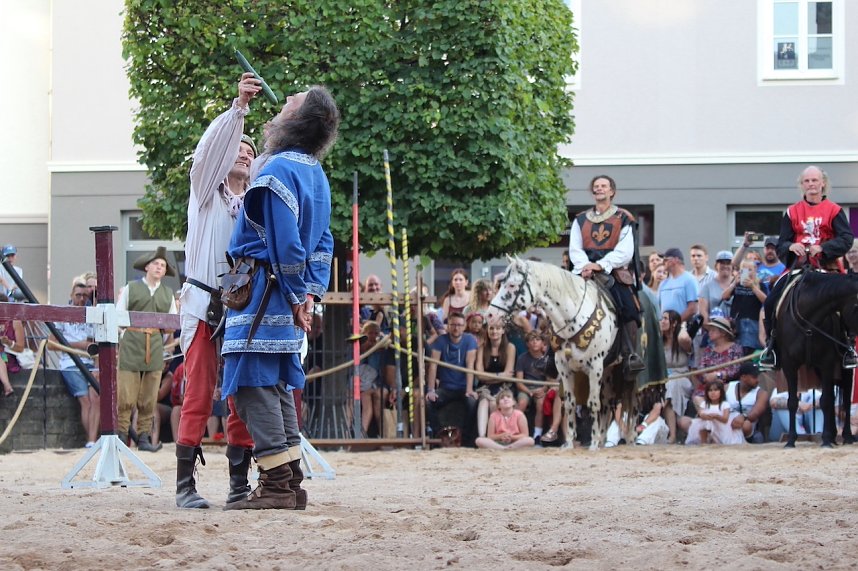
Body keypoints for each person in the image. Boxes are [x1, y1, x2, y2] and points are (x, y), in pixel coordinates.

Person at [221, 85, 339, 510]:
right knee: (275, 386)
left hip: (261, 294)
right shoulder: (316, 174)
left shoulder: (278, 169)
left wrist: (293, 294)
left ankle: (275, 485)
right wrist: (309, 292)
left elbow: (286, 244)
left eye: (291, 101)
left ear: (299, 118)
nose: (283, 102)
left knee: (253, 385)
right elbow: (323, 242)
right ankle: (290, 483)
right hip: (285, 297)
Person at [174, 73, 261, 509]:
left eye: (250, 152)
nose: (243, 154)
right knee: (198, 392)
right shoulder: (205, 193)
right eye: (237, 148)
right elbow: (208, 152)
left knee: (240, 394)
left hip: (241, 308)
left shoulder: (254, 208)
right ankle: (184, 487)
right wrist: (238, 109)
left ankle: (238, 485)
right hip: (203, 303)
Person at [761, 166, 855, 368]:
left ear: (823, 183)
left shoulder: (834, 210)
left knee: (846, 302)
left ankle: (848, 347)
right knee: (770, 302)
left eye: (815, 180)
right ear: (802, 185)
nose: (811, 184)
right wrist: (790, 246)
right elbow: (782, 243)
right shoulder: (792, 212)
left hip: (827, 267)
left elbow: (847, 238)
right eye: (807, 181)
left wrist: (823, 248)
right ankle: (772, 347)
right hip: (799, 268)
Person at [567, 174, 643, 372]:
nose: (599, 188)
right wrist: (586, 266)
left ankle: (629, 354)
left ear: (612, 191)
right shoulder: (580, 219)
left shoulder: (624, 218)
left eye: (604, 186)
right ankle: (553, 354)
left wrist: (600, 265)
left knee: (628, 307)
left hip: (612, 272)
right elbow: (575, 248)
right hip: (583, 271)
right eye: (596, 186)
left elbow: (625, 251)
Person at [116, 246, 177, 453]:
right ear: (147, 267)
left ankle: (144, 437)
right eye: (156, 264)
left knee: (149, 395)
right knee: (126, 393)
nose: (159, 267)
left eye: (163, 265)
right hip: (132, 343)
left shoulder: (167, 294)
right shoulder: (131, 288)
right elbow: (119, 316)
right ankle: (121, 435)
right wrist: (125, 335)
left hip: (155, 344)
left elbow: (171, 323)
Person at [677, 316, 743, 437]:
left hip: (726, 384)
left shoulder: (735, 348)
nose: (709, 333)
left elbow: (735, 369)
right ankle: (708, 424)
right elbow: (702, 368)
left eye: (713, 330)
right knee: (698, 397)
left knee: (720, 392)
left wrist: (717, 375)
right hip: (708, 386)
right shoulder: (709, 350)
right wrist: (706, 376)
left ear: (722, 333)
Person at [53, 282, 100, 447]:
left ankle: (93, 440)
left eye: (84, 295)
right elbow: (52, 344)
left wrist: (97, 367)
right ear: (71, 295)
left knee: (96, 398)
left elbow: (97, 344)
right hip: (70, 363)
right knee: (85, 400)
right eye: (78, 295)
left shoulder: (92, 315)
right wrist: (79, 345)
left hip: (90, 363)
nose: (81, 298)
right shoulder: (62, 314)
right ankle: (91, 440)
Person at [425, 311, 479, 446]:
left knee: (472, 402)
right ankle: (440, 436)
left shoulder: (470, 340)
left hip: (463, 388)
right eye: (453, 325)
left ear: (464, 326)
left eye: (459, 325)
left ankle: (465, 440)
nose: (456, 328)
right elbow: (433, 366)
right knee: (428, 402)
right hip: (445, 388)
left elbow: (470, 365)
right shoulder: (440, 341)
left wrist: (469, 389)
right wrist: (431, 390)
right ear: (448, 326)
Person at [475, 321, 516, 438]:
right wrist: (500, 375)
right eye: (491, 328)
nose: (494, 331)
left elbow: (509, 375)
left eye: (498, 328)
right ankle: (482, 437)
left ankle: (496, 436)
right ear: (487, 331)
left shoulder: (510, 347)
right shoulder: (482, 348)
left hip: (504, 387)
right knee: (483, 403)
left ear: (503, 330)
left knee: (494, 403)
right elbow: (479, 375)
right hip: (485, 387)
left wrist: (489, 377)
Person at [660, 310, 693, 443]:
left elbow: (684, 338)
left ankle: (672, 435)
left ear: (673, 323)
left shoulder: (681, 340)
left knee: (671, 386)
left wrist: (682, 326)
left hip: (681, 377)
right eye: (661, 318)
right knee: (669, 386)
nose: (662, 321)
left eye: (665, 319)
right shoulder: (660, 341)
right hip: (664, 379)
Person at [722, 258, 766, 355]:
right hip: (737, 321)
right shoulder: (736, 284)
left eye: (750, 270)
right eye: (744, 270)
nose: (747, 273)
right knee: (737, 349)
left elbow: (766, 301)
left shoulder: (760, 284)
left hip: (753, 321)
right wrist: (734, 284)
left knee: (751, 349)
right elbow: (724, 296)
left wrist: (753, 287)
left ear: (755, 270)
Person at [514, 330, 552, 441]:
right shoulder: (522, 358)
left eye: (537, 339)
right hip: (525, 389)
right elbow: (519, 382)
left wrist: (543, 389)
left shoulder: (547, 359)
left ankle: (537, 435)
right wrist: (529, 392)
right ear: (527, 344)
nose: (535, 342)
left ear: (542, 343)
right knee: (522, 403)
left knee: (540, 404)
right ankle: (513, 432)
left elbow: (549, 381)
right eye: (531, 340)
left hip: (541, 388)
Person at [685, 380, 744, 445]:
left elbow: (725, 419)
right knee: (702, 423)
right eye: (710, 390)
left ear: (721, 392)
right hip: (708, 424)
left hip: (721, 426)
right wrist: (706, 416)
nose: (713, 393)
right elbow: (701, 413)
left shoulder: (725, 404)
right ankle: (704, 442)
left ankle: (715, 441)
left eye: (716, 390)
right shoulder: (704, 404)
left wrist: (716, 416)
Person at [725, 362, 769, 443]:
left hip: (747, 431)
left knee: (746, 425)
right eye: (754, 377)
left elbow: (755, 413)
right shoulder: (727, 388)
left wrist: (743, 417)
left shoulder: (761, 393)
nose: (758, 380)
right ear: (743, 377)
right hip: (726, 425)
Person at [658, 248, 698, 322]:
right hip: (666, 327)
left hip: (683, 327)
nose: (663, 262)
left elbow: (693, 308)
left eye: (666, 260)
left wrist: (676, 323)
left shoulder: (689, 280)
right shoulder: (663, 284)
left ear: (675, 260)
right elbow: (659, 308)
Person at [698, 250, 733, 322]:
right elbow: (703, 312)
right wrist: (709, 327)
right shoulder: (707, 287)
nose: (725, 266)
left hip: (736, 327)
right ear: (716, 266)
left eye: (728, 263)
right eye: (722, 263)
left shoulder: (738, 284)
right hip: (715, 326)